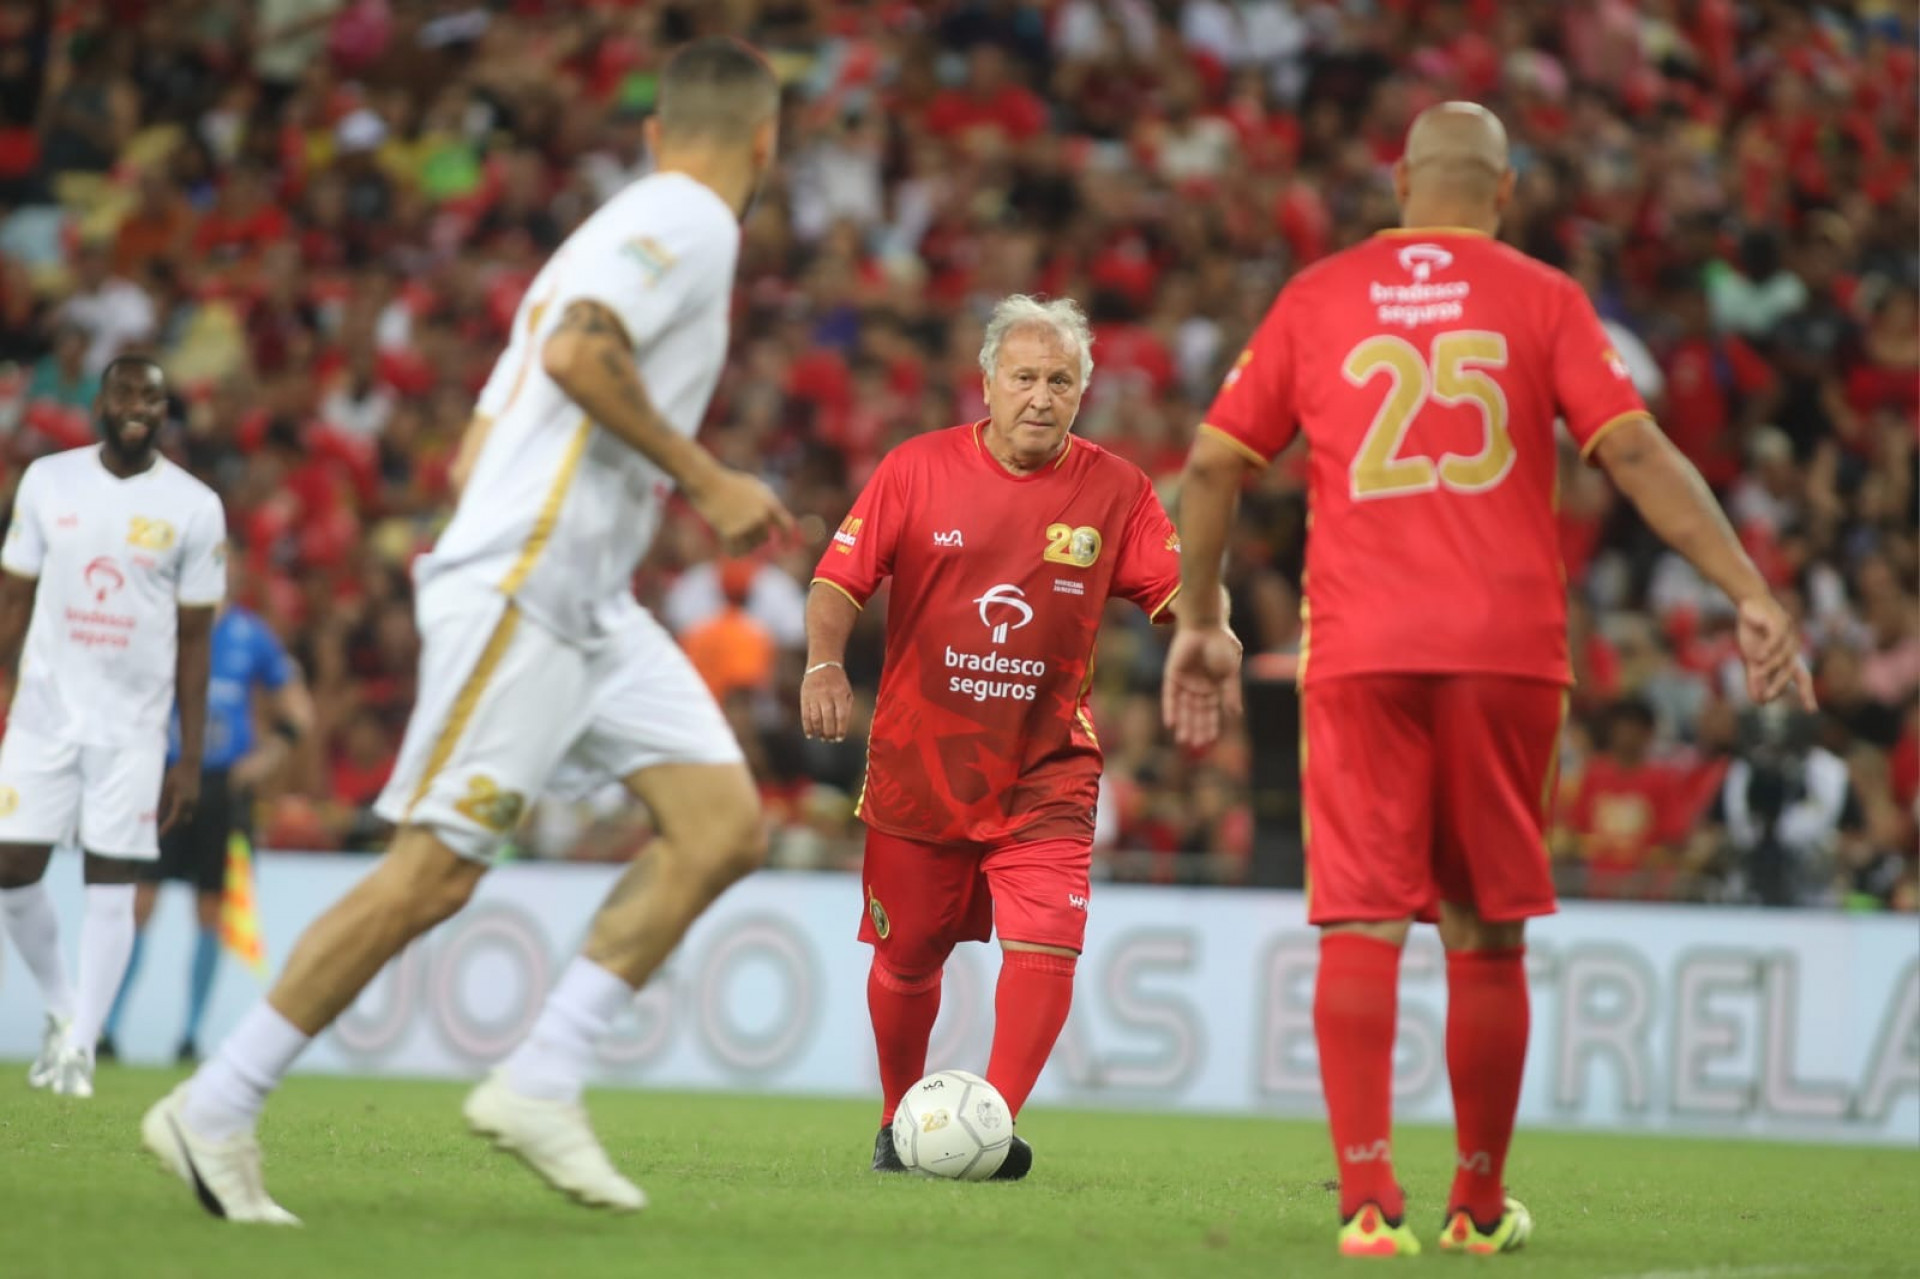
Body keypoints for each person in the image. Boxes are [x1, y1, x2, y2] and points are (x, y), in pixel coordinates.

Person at [141, 37, 792, 1224]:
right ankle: (215, 1104)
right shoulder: (691, 219)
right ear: (765, 140)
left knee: (722, 828)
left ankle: (542, 1078)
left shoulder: (597, 240)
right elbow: (579, 353)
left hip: (586, 599)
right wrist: (705, 479)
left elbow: (478, 448)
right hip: (530, 587)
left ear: (655, 131)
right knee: (432, 874)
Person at [1162, 102, 1814, 1258]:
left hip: (1361, 645)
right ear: (1505, 191)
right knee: (1486, 924)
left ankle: (1369, 1203)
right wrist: (1747, 590)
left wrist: (1202, 615)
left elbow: (1214, 463)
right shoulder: (1543, 296)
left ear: (1400, 181)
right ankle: (1474, 1204)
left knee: (1362, 912)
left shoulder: (1319, 295)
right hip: (1507, 648)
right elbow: (1634, 449)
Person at [801, 294, 1239, 1180]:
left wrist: (1208, 631)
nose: (1042, 396)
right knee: (907, 957)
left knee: (1048, 940)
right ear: (989, 382)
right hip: (921, 765)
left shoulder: (1116, 490)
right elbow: (839, 579)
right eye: (1026, 377)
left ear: (1083, 392)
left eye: (1062, 381)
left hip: (1047, 767)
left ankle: (988, 1126)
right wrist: (823, 663)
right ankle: (898, 1118)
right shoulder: (915, 468)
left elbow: (1183, 592)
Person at [0, 354, 225, 1098]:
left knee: (112, 878)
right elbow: (13, 600)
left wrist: (187, 757)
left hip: (132, 727)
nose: (137, 407)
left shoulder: (195, 506)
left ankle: (81, 1047)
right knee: (11, 864)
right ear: (99, 403)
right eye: (125, 394)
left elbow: (197, 641)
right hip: (43, 713)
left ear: (165, 412)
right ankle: (63, 1005)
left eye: (151, 398)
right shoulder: (48, 482)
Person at [100, 552, 316, 1064]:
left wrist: (266, 759)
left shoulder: (251, 635)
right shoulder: (159, 627)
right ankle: (107, 1028)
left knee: (210, 910)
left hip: (221, 786)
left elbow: (298, 710)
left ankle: (190, 1034)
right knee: (139, 903)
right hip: (164, 779)